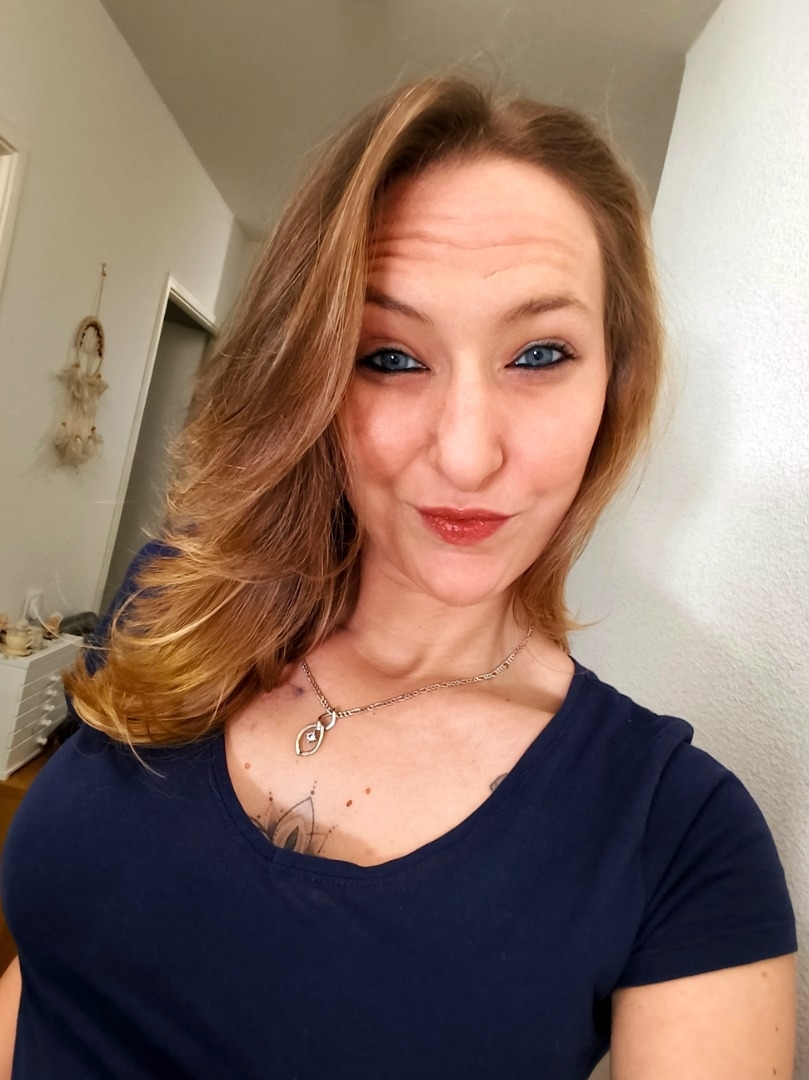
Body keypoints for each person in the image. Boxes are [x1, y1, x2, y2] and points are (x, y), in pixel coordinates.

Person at [0, 75, 797, 1079]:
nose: (465, 453)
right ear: (310, 379)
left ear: (614, 386)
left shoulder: (676, 836)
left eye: (538, 354)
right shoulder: (175, 600)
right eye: (388, 356)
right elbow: (50, 977)